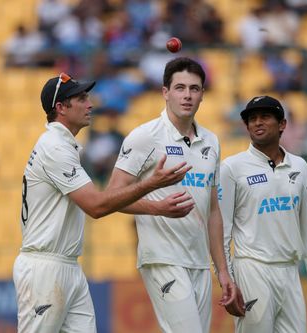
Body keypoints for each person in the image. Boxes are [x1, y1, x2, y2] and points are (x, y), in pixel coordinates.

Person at [12, 72, 191, 333]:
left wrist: (156, 208)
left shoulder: (64, 146)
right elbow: (96, 206)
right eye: (81, 98)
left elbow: (102, 201)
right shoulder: (54, 147)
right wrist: (152, 184)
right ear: (60, 108)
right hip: (45, 268)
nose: (90, 103)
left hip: (67, 266)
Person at [106, 57, 237, 332]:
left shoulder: (211, 141)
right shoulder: (144, 137)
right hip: (162, 257)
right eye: (179, 88)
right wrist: (157, 207)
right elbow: (112, 196)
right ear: (165, 92)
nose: (187, 95)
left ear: (202, 94)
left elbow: (214, 211)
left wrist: (223, 271)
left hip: (198, 262)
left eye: (194, 88)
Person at [219, 95, 307, 332]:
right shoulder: (232, 168)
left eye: (265, 117)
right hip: (252, 269)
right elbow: (222, 231)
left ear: (282, 124)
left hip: (289, 272)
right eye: (252, 119)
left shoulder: (300, 167)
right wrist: (227, 280)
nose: (257, 122)